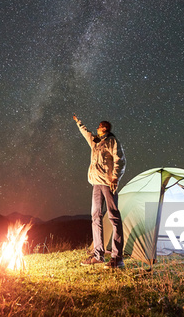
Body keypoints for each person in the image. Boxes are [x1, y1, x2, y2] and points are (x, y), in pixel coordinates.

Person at [73, 115, 126, 269]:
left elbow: (120, 160)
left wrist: (115, 177)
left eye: (98, 126)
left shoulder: (112, 141)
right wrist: (79, 123)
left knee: (113, 217)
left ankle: (117, 258)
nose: (96, 128)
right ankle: (98, 255)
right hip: (96, 184)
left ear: (104, 128)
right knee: (96, 216)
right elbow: (87, 134)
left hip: (108, 184)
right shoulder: (96, 142)